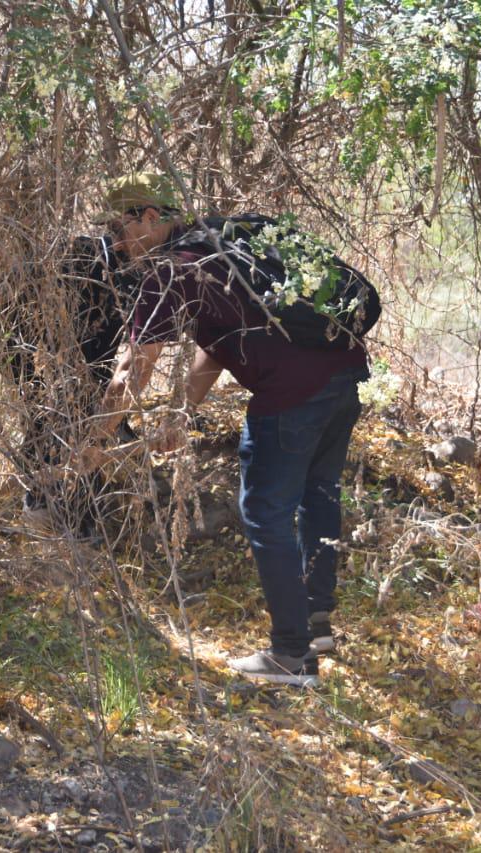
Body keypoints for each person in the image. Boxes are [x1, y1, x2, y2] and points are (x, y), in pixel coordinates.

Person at [89, 173, 369, 687]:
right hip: (344, 373)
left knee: (264, 511)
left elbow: (133, 368)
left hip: (291, 394)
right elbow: (218, 343)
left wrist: (95, 442)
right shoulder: (223, 241)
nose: (114, 241)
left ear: (150, 218)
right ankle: (315, 625)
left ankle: (292, 656)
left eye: (117, 226)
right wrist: (180, 412)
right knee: (318, 493)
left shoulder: (170, 272)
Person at [0, 235, 137, 534]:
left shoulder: (123, 274)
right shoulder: (87, 270)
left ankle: (73, 510)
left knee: (72, 408)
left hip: (36, 336)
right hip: (10, 329)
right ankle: (54, 512)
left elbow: (102, 364)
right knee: (60, 413)